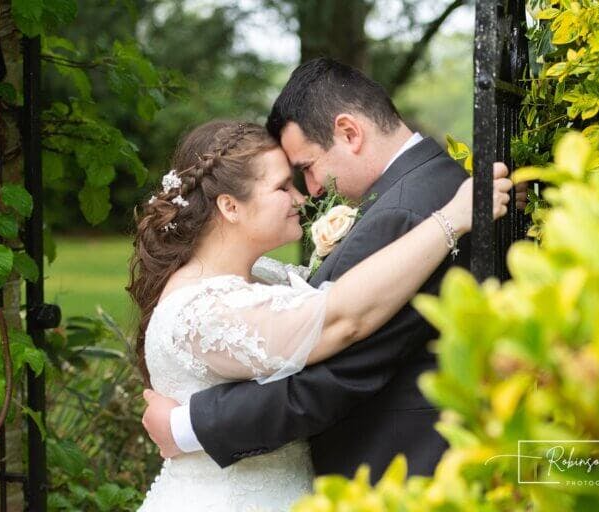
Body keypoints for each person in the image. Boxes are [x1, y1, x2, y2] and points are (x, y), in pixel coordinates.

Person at [136, 60, 517, 511]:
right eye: (286, 184)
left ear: (350, 133)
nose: (309, 193)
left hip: (401, 468)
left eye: (306, 168)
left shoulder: (408, 212)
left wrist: (190, 426)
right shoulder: (420, 196)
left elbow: (340, 360)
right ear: (229, 207)